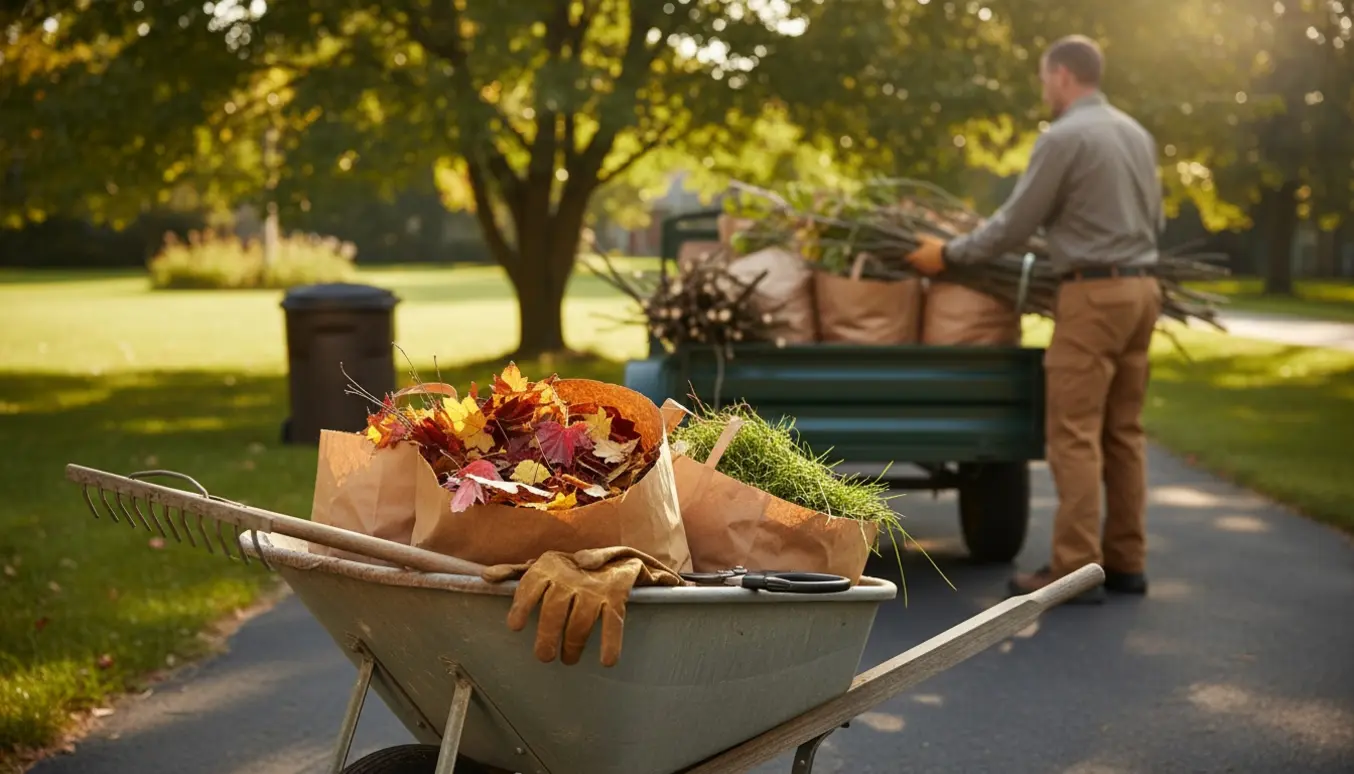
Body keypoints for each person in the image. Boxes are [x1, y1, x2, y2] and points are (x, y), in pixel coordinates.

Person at [905, 34, 1163, 604]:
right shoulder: (1136, 134)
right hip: (1143, 290)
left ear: (1064, 76)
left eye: (1045, 78)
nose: (1044, 89)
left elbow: (1014, 225)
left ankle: (1073, 571)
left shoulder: (1066, 136)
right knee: (1124, 434)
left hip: (1092, 295)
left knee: (1072, 434)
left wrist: (947, 254)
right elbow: (1154, 217)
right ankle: (1126, 563)